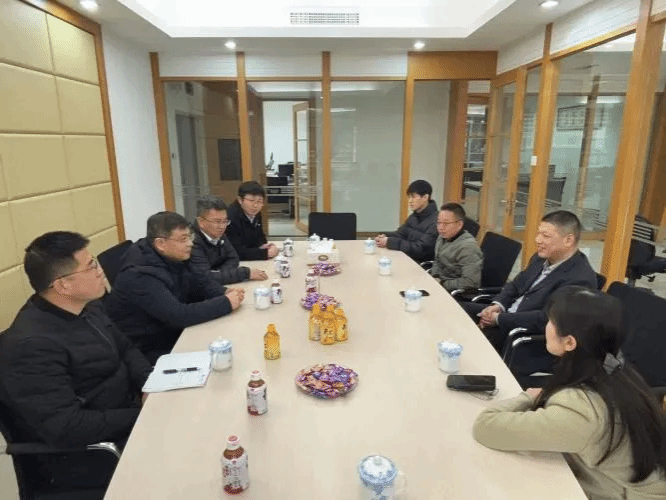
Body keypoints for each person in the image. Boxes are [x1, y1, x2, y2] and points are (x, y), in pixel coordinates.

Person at [473, 286, 666, 500]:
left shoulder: (581, 408)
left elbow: (486, 427)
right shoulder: (618, 373)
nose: (547, 326)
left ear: (570, 342)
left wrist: (528, 397)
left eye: (551, 321)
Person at [0, 231, 151, 489]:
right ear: (63, 285)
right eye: (91, 266)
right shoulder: (32, 346)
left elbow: (125, 348)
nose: (100, 271)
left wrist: (149, 384)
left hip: (129, 414)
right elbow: (68, 427)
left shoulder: (87, 306)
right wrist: (141, 414)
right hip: (94, 454)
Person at [105, 212, 245, 363]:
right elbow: (179, 315)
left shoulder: (171, 255)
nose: (190, 243)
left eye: (190, 237)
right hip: (148, 349)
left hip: (169, 332)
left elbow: (196, 283)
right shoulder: (140, 275)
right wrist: (226, 302)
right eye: (183, 239)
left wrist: (224, 292)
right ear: (161, 243)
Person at [461, 210, 597, 353]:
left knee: (466, 342)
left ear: (568, 240)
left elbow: (547, 319)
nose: (538, 240)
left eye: (546, 236)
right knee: (458, 310)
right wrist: (498, 306)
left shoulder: (580, 279)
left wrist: (499, 319)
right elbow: (516, 285)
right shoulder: (540, 258)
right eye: (538, 234)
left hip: (523, 335)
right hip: (508, 315)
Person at [190, 196, 268, 285]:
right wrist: (245, 273)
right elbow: (204, 278)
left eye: (225, 221)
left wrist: (220, 274)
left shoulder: (218, 234)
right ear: (200, 221)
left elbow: (233, 258)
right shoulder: (191, 242)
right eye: (217, 222)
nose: (222, 226)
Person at [375, 179, 438, 263]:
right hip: (407, 258)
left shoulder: (436, 220)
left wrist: (389, 241)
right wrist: (384, 235)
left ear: (425, 197)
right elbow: (401, 234)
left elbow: (421, 249)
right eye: (409, 197)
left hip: (420, 264)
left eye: (413, 197)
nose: (410, 201)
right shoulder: (414, 216)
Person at [430, 202, 483, 292]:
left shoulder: (468, 247)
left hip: (456, 292)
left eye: (446, 223)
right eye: (438, 222)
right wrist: (435, 276)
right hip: (440, 285)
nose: (440, 228)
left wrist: (442, 283)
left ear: (459, 224)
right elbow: (437, 260)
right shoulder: (442, 237)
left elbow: (471, 282)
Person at [226, 181, 279, 261]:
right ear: (240, 200)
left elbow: (260, 237)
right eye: (251, 201)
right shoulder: (230, 216)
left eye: (259, 201)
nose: (255, 205)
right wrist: (265, 253)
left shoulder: (256, 213)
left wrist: (265, 246)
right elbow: (235, 251)